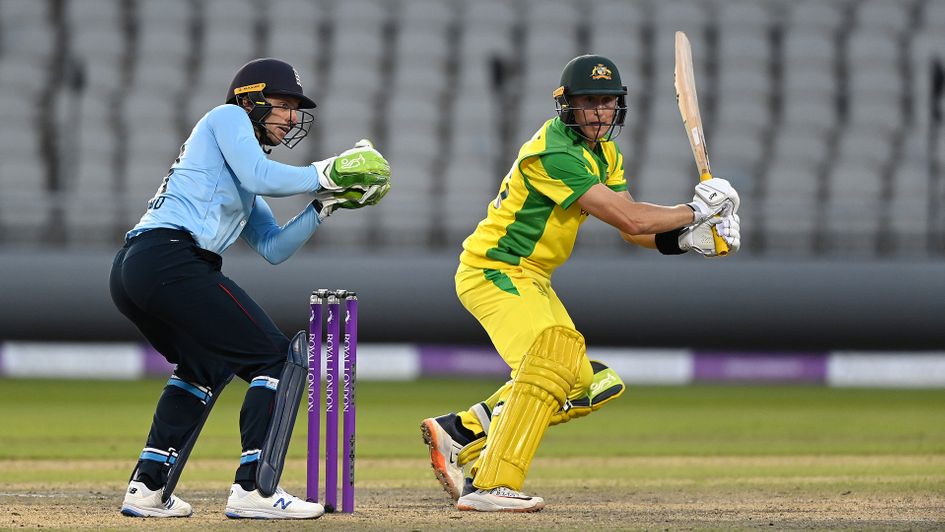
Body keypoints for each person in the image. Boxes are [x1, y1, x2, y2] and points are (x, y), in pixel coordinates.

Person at [421, 54, 740, 512]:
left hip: (533, 276)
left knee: (586, 385)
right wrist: (696, 211)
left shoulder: (605, 153)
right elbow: (628, 215)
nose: (598, 112)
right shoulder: (555, 151)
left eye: (607, 103)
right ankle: (492, 485)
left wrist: (686, 240)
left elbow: (635, 232)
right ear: (566, 105)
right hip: (495, 269)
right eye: (588, 102)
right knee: (550, 357)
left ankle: (462, 431)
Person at [110, 58, 390, 519]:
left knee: (204, 365)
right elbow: (263, 177)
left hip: (139, 267)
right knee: (277, 357)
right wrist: (328, 171)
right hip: (170, 258)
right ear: (251, 100)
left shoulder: (241, 180)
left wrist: (325, 206)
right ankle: (255, 490)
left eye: (295, 109)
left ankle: (148, 489)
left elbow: (273, 247)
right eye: (282, 105)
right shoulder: (226, 117)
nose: (292, 118)